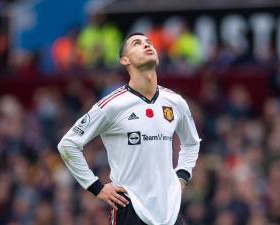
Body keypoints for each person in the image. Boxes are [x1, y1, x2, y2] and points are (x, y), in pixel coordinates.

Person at [57, 32, 201, 225]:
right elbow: (68, 144)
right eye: (137, 43)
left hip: (170, 210)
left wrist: (182, 175)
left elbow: (191, 142)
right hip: (130, 207)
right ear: (125, 60)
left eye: (149, 42)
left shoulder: (175, 101)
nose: (147, 45)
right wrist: (96, 187)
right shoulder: (112, 105)